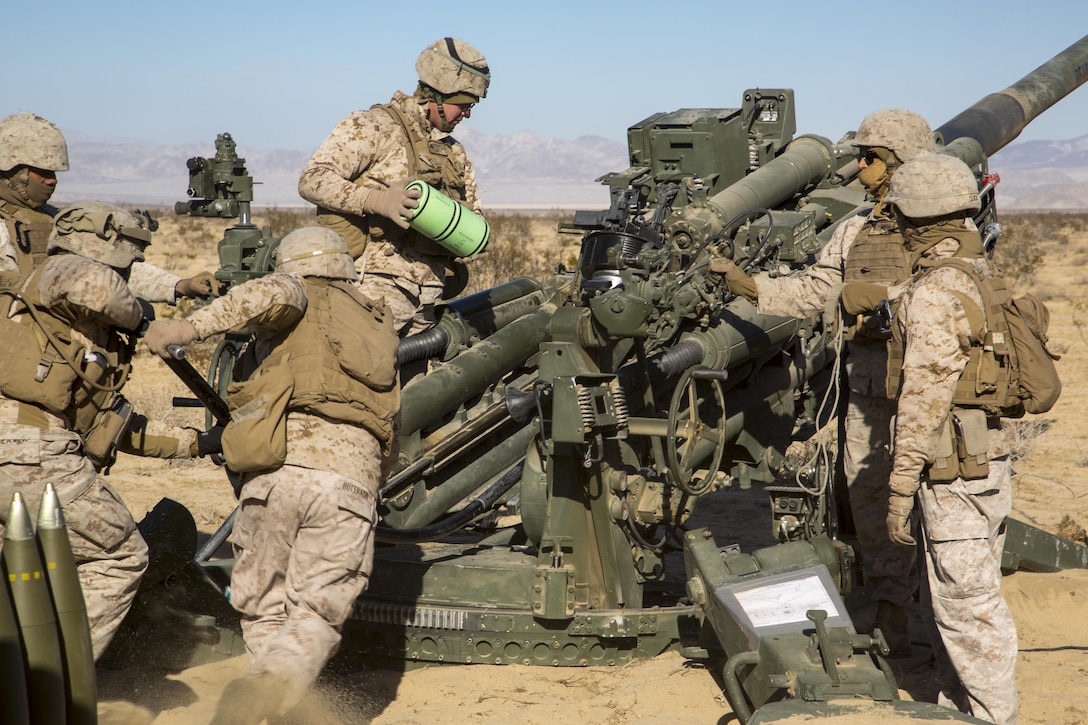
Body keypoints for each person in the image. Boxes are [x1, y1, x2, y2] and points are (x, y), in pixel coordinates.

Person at [144, 227, 400, 723]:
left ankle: (264, 697)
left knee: (262, 605)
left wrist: (187, 329)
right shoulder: (378, 323)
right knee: (316, 610)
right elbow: (392, 421)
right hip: (349, 482)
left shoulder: (297, 288)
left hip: (273, 476)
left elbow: (272, 291)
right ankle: (274, 688)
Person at [710, 109, 936, 657]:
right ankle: (891, 612)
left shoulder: (942, 232)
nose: (859, 169)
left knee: (931, 500)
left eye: (870, 159)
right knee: (869, 496)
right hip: (867, 391)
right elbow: (815, 290)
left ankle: (933, 605)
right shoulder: (857, 230)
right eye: (859, 157)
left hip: (928, 391)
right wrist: (744, 283)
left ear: (901, 165)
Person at [0, 201, 216, 660]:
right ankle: (54, 683)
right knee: (120, 555)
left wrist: (200, 442)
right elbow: (97, 284)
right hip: (28, 451)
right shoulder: (60, 271)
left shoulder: (72, 327)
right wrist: (146, 323)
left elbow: (114, 426)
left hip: (25, 456)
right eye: (131, 256)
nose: (134, 267)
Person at [883, 153, 1017, 725]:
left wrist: (898, 485)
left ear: (917, 221)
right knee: (971, 587)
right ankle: (960, 704)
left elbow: (924, 398)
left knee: (967, 604)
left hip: (953, 469)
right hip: (990, 458)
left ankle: (993, 716)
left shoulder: (936, 290)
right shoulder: (980, 272)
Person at [297, 37, 490, 339]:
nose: (467, 114)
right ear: (437, 93)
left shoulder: (455, 153)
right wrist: (375, 200)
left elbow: (475, 216)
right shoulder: (374, 126)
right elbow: (313, 179)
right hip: (371, 295)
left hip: (427, 302)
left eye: (472, 106)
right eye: (463, 105)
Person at [0, 111, 219, 300]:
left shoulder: (61, 221)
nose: (52, 180)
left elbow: (113, 272)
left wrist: (180, 285)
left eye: (54, 172)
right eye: (44, 171)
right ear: (14, 170)